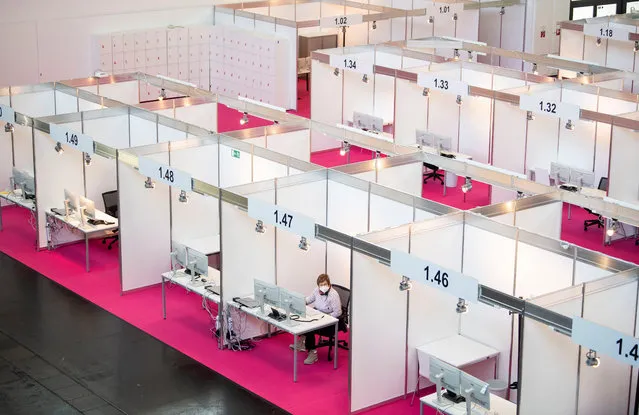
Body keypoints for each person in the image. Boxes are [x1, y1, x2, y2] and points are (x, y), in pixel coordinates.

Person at [289, 274, 342, 365]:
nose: (323, 286)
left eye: (325, 284)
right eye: (321, 285)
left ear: (329, 284)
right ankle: (302, 343)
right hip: (319, 315)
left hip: (330, 320)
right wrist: (299, 302)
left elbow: (338, 312)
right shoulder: (317, 291)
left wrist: (325, 317)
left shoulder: (333, 295)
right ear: (318, 285)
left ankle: (313, 353)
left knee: (310, 328)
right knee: (303, 318)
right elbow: (309, 299)